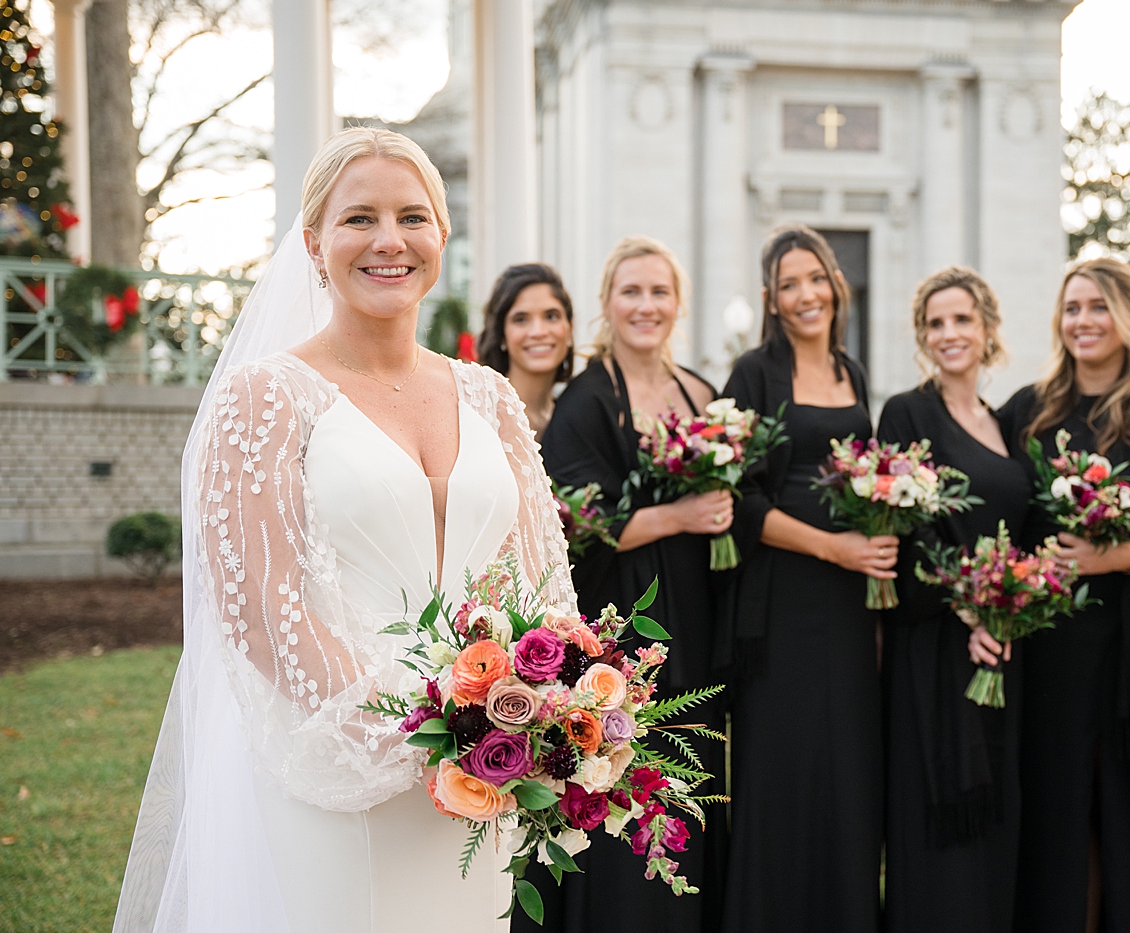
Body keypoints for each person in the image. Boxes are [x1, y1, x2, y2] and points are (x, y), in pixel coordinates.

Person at [112, 128, 578, 933]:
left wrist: (535, 711)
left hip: (487, 767)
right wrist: (417, 731)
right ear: (313, 242)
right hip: (341, 763)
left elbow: (536, 579)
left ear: (441, 235)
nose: (389, 240)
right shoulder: (264, 396)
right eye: (359, 218)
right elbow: (262, 607)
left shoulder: (491, 397)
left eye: (413, 216)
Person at [996, 257, 1130, 933]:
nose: (1082, 321)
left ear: (1129, 317)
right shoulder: (1027, 412)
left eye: (1097, 307)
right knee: (1055, 805)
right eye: (1072, 308)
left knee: (1123, 804)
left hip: (1129, 647)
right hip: (1043, 648)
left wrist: (1116, 556)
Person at [540, 235, 729, 932]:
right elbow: (579, 528)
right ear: (607, 304)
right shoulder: (586, 401)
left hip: (695, 617)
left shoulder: (702, 395)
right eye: (632, 292)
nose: (646, 306)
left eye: (659, 292)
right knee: (618, 780)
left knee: (687, 780)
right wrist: (677, 515)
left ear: (678, 303)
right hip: (619, 626)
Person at [719, 224, 893, 933]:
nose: (806, 294)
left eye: (815, 278)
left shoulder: (852, 372)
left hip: (850, 609)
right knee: (780, 770)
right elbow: (740, 502)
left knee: (847, 767)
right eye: (789, 284)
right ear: (771, 300)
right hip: (780, 604)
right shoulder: (753, 375)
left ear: (835, 284)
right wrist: (834, 548)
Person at [878, 268, 1029, 933]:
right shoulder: (907, 413)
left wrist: (1007, 608)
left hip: (1003, 646)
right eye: (935, 324)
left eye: (962, 320)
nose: (949, 335)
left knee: (997, 807)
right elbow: (908, 529)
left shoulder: (1006, 423)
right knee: (938, 813)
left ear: (987, 330)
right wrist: (969, 607)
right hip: (935, 644)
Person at [476, 262, 575, 442]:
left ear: (569, 328)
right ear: (502, 335)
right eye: (521, 319)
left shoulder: (577, 416)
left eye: (551, 316)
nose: (538, 332)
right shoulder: (480, 414)